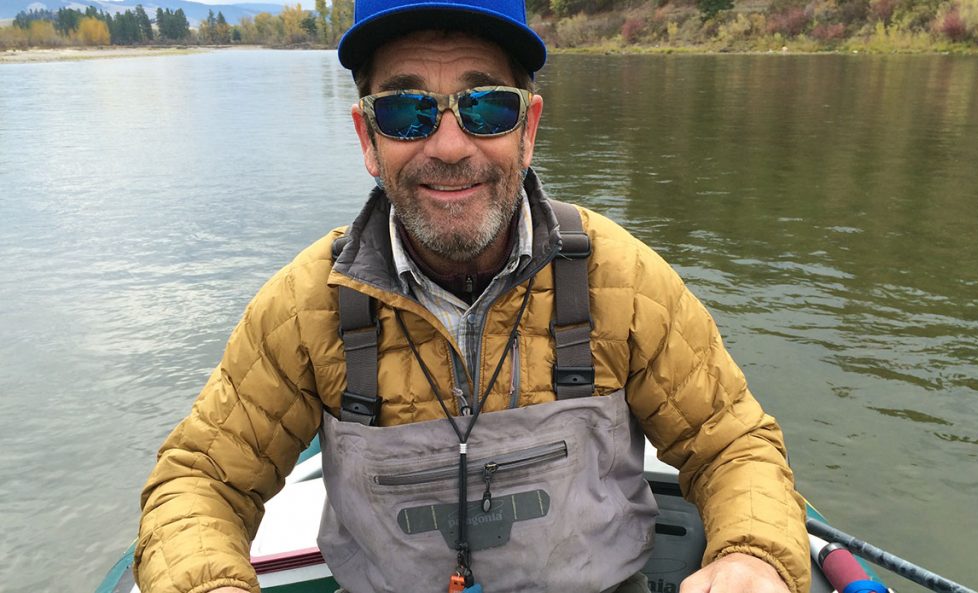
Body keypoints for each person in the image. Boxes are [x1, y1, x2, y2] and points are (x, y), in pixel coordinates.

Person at [133, 1, 810, 592]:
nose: (450, 144)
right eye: (405, 110)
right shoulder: (303, 309)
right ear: (368, 137)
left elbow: (733, 444)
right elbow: (200, 481)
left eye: (486, 105)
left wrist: (752, 552)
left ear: (530, 127)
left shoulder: (623, 281)